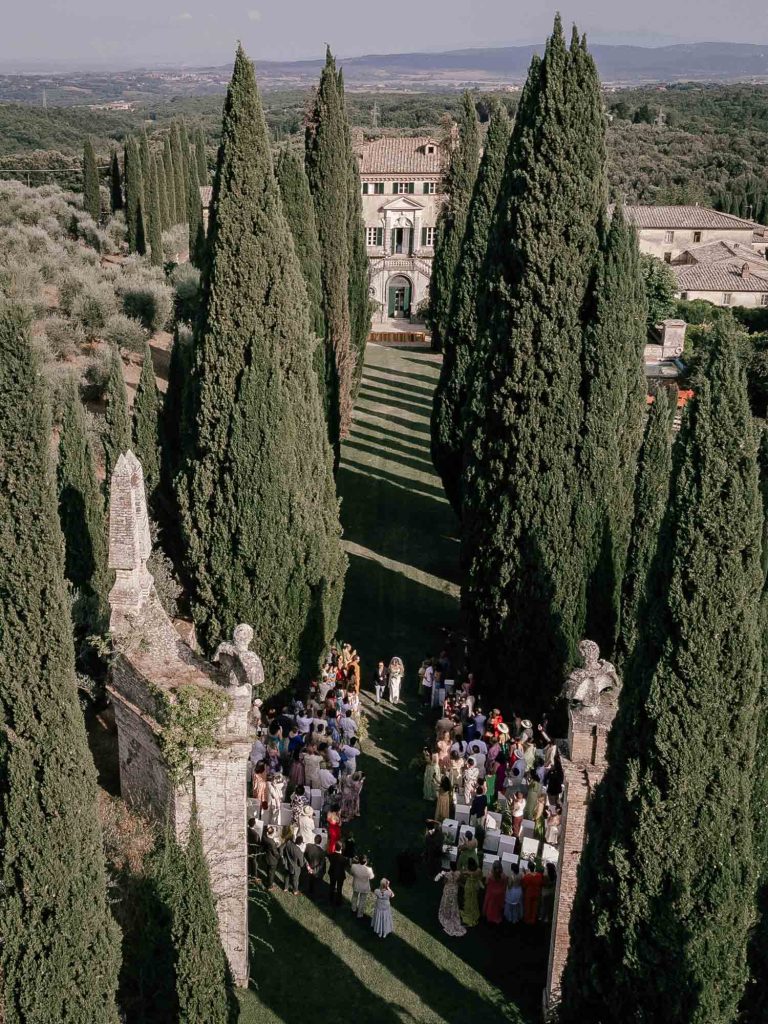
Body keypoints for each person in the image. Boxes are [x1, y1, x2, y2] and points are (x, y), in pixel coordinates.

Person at [436, 865, 466, 937]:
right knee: (454, 903)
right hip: (455, 890)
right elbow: (459, 882)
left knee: (446, 902)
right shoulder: (459, 873)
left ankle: (446, 914)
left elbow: (444, 882)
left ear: (450, 867)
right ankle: (452, 913)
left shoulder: (447, 874)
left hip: (448, 890)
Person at [460, 858, 483, 927]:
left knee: (468, 901)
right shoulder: (478, 870)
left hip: (469, 886)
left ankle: (469, 916)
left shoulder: (468, 872)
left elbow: (463, 874)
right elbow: (480, 877)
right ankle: (475, 914)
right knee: (474, 900)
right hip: (475, 886)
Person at [522, 860, 544, 924]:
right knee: (534, 907)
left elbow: (524, 885)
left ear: (528, 868)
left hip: (529, 893)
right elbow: (541, 883)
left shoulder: (527, 877)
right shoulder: (539, 875)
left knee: (528, 906)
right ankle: (532, 919)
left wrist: (524, 874)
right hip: (536, 892)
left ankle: (527, 919)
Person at [260, 825, 281, 890]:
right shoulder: (272, 842)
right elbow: (275, 853)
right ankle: (270, 886)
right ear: (272, 833)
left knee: (269, 871)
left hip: (267, 857)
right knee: (271, 873)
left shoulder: (264, 837)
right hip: (272, 860)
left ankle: (268, 881)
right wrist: (279, 856)